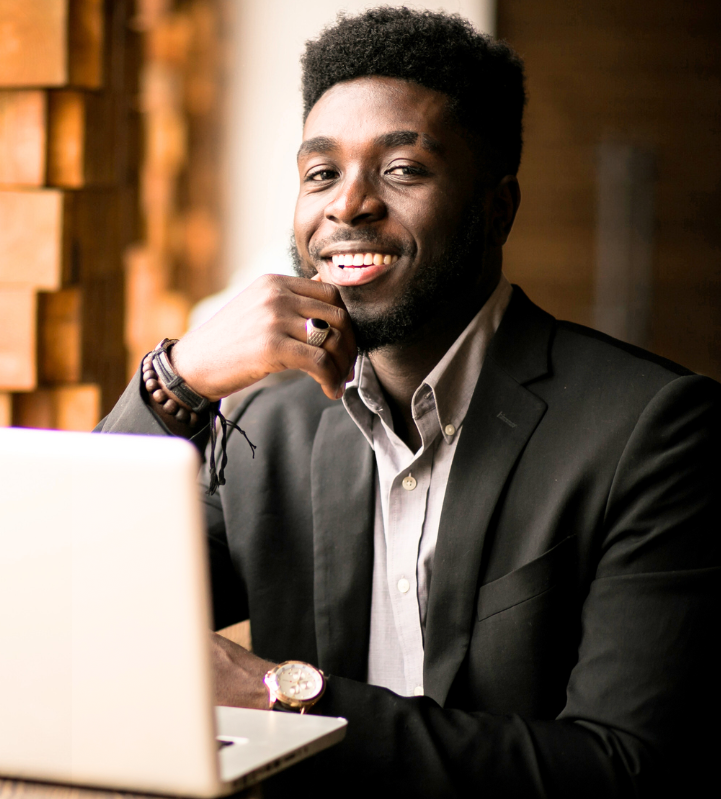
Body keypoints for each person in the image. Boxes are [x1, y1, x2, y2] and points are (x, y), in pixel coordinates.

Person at [99, 7, 720, 797]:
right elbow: (67, 611)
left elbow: (621, 767)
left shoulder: (655, 427)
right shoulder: (266, 424)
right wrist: (177, 378)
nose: (347, 206)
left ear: (498, 206)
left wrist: (289, 695)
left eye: (401, 170)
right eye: (321, 173)